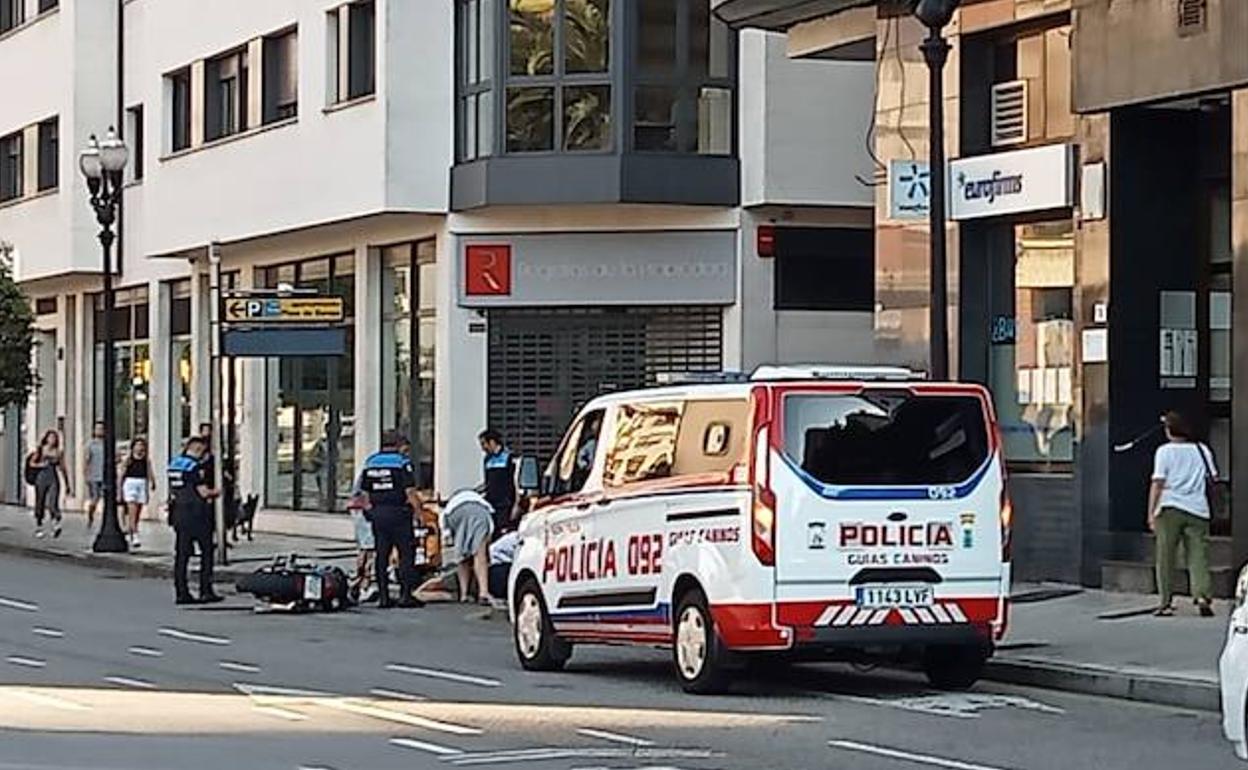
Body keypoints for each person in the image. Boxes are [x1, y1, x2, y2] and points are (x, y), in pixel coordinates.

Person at [1149, 411, 1216, 618]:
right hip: (1198, 508)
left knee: (1166, 557)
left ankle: (1166, 602)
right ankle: (1203, 596)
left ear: (1169, 431)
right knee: (1198, 556)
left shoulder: (1164, 452)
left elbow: (1158, 483)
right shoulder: (1201, 450)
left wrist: (1151, 512)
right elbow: (1212, 476)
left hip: (1169, 508)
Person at [356, 431, 423, 609]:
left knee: (381, 555)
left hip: (379, 514)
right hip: (399, 513)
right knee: (406, 555)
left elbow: (363, 492)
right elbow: (410, 492)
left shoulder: (370, 462)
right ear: (398, 445)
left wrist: (370, 510)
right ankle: (405, 595)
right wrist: (419, 514)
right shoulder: (402, 463)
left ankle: (384, 597)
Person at [168, 436, 222, 605]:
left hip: (178, 512)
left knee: (182, 555)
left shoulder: (174, 464)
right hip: (196, 514)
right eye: (203, 451)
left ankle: (181, 591)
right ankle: (205, 589)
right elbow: (203, 492)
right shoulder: (194, 467)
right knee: (206, 551)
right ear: (198, 449)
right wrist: (217, 491)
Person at [443, 489, 494, 606]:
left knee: (461, 554)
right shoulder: (482, 504)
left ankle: (464, 594)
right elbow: (489, 536)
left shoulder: (451, 504)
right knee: (480, 554)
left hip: (454, 513)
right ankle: (484, 593)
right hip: (479, 513)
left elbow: (446, 535)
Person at [27, 430, 69, 539]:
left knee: (53, 503)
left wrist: (67, 483)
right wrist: (41, 464)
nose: (52, 440)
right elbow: (32, 463)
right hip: (41, 478)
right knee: (40, 502)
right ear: (46, 438)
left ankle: (56, 525)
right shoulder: (41, 449)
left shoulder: (58, 452)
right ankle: (39, 525)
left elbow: (63, 467)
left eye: (54, 438)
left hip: (53, 478)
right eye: (50, 437)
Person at [478, 429, 517, 536]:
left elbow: (515, 482)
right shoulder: (487, 459)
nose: (482, 448)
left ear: (492, 442)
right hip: (491, 503)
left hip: (505, 504)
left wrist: (516, 504)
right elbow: (488, 483)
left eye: (483, 444)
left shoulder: (508, 457)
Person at [119, 437, 156, 548]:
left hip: (142, 483)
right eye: (137, 445)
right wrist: (119, 489)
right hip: (130, 483)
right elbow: (122, 474)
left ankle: (131, 529)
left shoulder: (146, 460)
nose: (140, 447)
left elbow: (149, 472)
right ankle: (134, 534)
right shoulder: (128, 460)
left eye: (142, 445)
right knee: (132, 511)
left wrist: (152, 482)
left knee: (138, 512)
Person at [83, 422, 106, 529]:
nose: (100, 431)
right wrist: (86, 475)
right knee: (95, 498)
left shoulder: (108, 444)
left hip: (106, 476)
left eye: (102, 429)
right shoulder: (90, 444)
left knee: (107, 499)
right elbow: (86, 460)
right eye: (98, 429)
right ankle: (90, 515)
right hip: (94, 476)